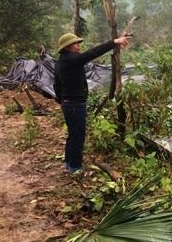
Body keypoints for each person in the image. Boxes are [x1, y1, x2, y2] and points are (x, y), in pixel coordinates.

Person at [54, 32, 130, 173]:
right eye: (76, 43)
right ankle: (76, 168)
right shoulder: (72, 59)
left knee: (72, 134)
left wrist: (62, 100)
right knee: (78, 137)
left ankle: (69, 163)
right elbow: (92, 53)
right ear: (68, 46)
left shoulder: (60, 62)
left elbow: (56, 86)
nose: (78, 46)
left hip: (67, 104)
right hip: (76, 105)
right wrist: (114, 41)